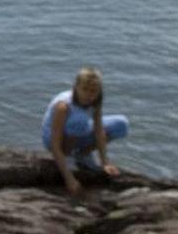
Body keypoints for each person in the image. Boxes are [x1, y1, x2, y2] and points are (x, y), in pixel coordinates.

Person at [43, 66, 128, 196]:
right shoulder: (63, 106)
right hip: (54, 139)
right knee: (80, 121)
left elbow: (99, 130)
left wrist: (105, 162)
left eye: (94, 91)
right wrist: (69, 178)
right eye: (85, 90)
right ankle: (68, 155)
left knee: (121, 124)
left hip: (77, 130)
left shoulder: (96, 101)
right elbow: (55, 144)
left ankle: (82, 154)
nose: (89, 95)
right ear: (76, 87)